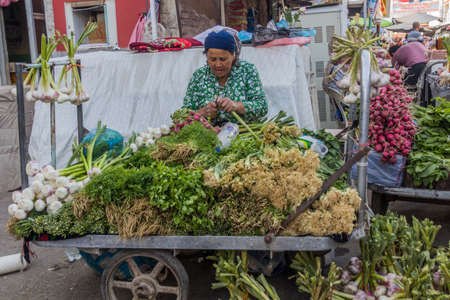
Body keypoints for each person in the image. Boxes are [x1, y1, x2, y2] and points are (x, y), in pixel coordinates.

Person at [183, 30, 267, 125]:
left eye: (223, 59)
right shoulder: (199, 76)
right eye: (213, 59)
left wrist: (236, 106)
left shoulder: (247, 71)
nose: (218, 64)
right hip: (208, 135)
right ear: (206, 57)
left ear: (233, 56)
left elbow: (262, 107)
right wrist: (202, 112)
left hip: (243, 134)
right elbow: (183, 116)